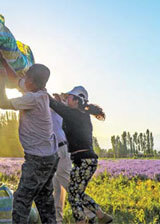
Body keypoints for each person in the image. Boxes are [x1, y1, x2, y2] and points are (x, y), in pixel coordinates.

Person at [0, 64, 59, 224]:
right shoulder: (41, 93)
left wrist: (1, 81)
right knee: (44, 198)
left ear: (32, 82)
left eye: (27, 77)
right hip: (50, 156)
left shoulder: (33, 98)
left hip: (39, 159)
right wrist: (2, 59)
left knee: (22, 200)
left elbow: (3, 103)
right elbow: (17, 80)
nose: (23, 79)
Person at [49, 86, 112, 224]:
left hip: (83, 161)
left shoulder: (74, 114)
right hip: (86, 161)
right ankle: (101, 216)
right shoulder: (81, 114)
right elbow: (60, 109)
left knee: (73, 195)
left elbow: (52, 104)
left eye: (70, 97)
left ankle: (85, 220)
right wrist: (62, 101)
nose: (67, 99)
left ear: (77, 100)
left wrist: (42, 90)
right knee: (77, 194)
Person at [51, 94, 95, 224]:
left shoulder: (64, 111)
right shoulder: (64, 110)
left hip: (61, 149)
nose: (63, 99)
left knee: (67, 182)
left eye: (66, 98)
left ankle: (90, 213)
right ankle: (58, 219)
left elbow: (50, 102)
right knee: (57, 186)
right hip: (55, 149)